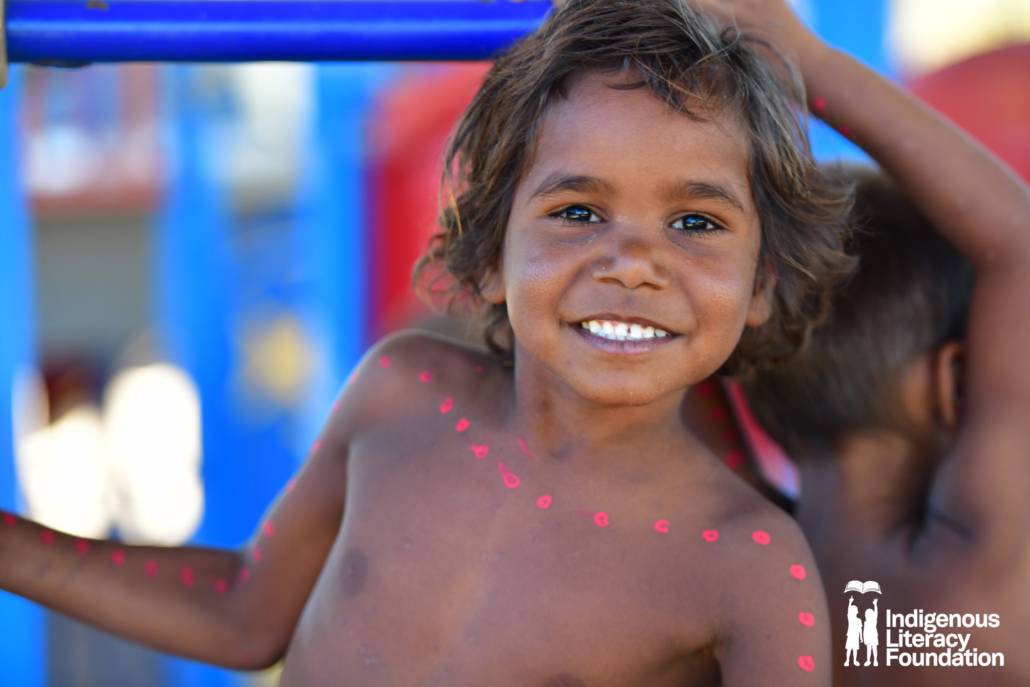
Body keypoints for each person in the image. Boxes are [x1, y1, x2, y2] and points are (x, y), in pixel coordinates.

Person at [0, 1, 849, 684]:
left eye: (695, 222)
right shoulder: (402, 392)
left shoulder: (749, 565)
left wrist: (815, 63)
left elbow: (995, 239)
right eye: (578, 212)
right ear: (487, 257)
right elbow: (246, 613)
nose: (632, 264)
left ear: (764, 282)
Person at [695, 0, 1030, 684]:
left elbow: (684, 327)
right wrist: (800, 56)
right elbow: (1017, 248)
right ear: (957, 382)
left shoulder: (729, 559)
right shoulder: (968, 594)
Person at [844, 597, 861, 668]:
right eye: (855, 610)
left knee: (855, 649)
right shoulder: (851, 618)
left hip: (856, 636)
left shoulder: (859, 620)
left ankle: (854, 660)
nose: (857, 611)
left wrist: (861, 637)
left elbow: (860, 629)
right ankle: (847, 660)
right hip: (850, 635)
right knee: (849, 649)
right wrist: (850, 602)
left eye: (856, 610)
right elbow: (848, 612)